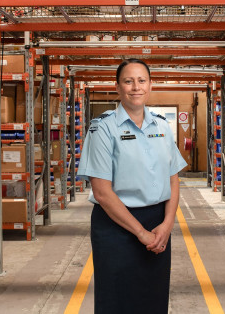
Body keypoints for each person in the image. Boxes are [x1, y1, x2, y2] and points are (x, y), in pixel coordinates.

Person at [77, 58, 187, 314]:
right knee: (117, 300)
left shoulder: (161, 126)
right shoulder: (102, 128)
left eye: (141, 80)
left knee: (153, 297)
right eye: (128, 81)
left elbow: (173, 178)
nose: (135, 87)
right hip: (116, 225)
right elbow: (102, 193)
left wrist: (167, 225)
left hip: (158, 223)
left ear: (150, 85)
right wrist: (140, 232)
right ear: (118, 87)